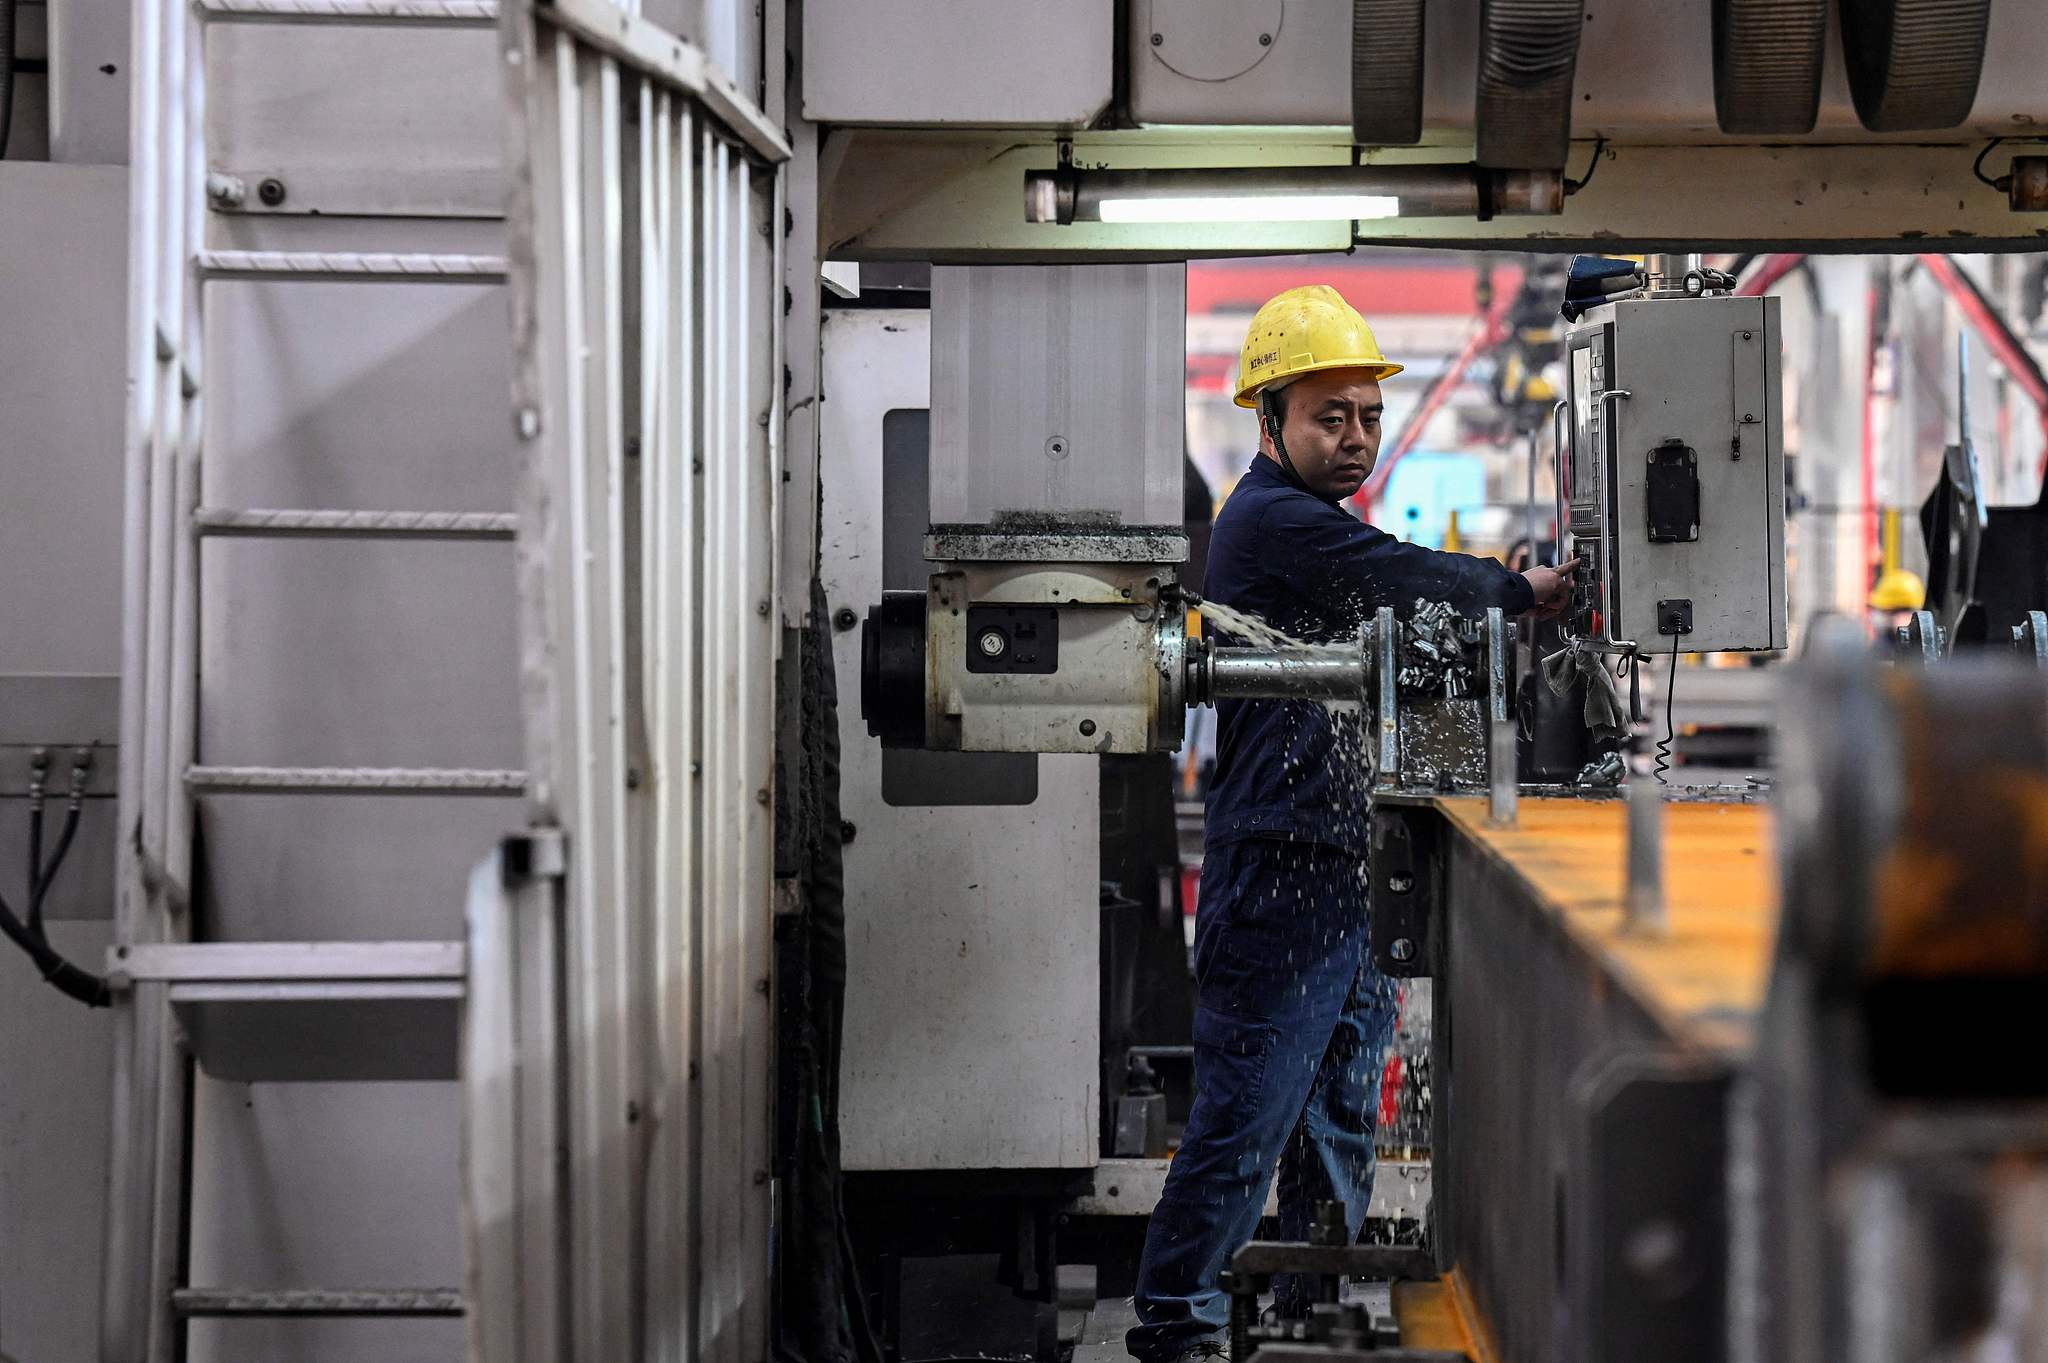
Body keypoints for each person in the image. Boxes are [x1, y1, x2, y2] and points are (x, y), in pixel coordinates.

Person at [1127, 286, 1574, 1363]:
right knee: (1245, 1120)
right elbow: (1402, 579)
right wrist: (1515, 592)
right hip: (1279, 868)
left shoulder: (1318, 524)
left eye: (1368, 417)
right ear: (1269, 417)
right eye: (1331, 416)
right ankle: (1175, 1325)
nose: (1356, 438)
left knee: (1335, 1114)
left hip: (1345, 867)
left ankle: (1305, 1310)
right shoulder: (1268, 521)